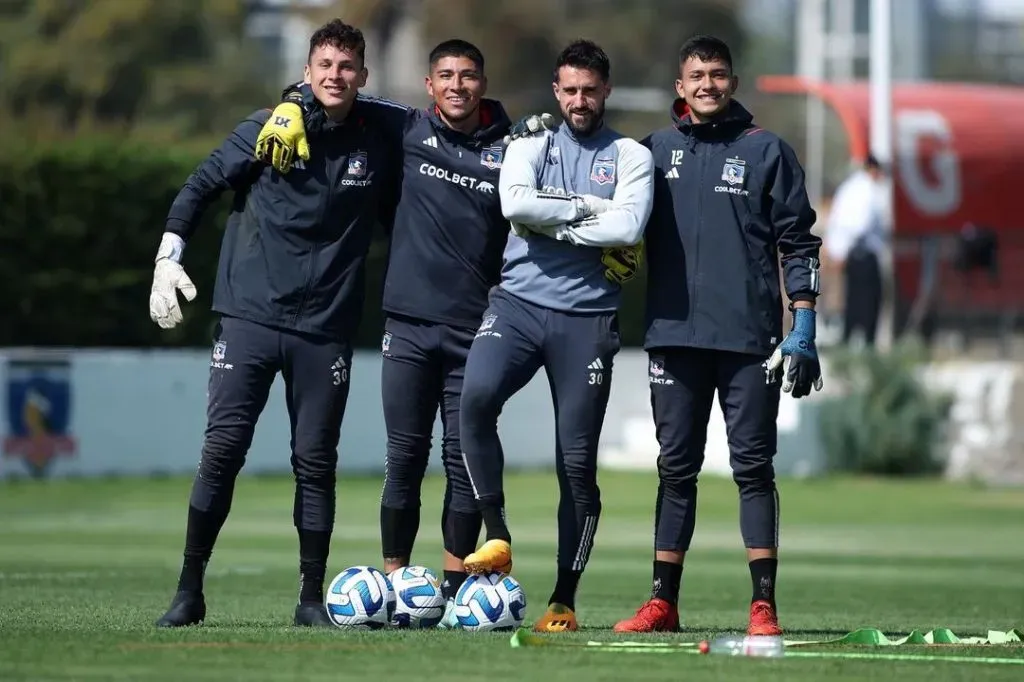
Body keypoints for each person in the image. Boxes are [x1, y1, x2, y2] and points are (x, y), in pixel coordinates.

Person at [256, 39, 515, 628]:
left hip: (476, 328)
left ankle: (456, 593)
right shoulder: (404, 127)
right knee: (404, 459)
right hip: (406, 324)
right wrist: (290, 102)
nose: (456, 85)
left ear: (483, 83)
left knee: (460, 460)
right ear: (428, 85)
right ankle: (398, 585)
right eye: (445, 75)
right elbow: (333, 91)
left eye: (468, 76)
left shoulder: (512, 147)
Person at [149, 19, 398, 628]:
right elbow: (201, 185)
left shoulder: (380, 138)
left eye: (347, 68)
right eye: (325, 67)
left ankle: (310, 599)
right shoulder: (267, 126)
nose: (335, 77)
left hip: (326, 328)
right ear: (308, 71)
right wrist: (167, 255)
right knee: (223, 451)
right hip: (250, 316)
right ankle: (189, 590)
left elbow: (438, 131)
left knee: (315, 461)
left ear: (363, 77)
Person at [611, 34, 823, 636]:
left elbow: (798, 240)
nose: (707, 84)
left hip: (748, 339)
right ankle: (662, 603)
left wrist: (802, 319)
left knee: (753, 470)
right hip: (673, 337)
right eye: (696, 75)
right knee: (675, 469)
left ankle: (763, 605)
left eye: (718, 74)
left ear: (733, 82)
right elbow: (614, 227)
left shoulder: (767, 152)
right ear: (680, 86)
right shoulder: (650, 152)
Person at [456, 39, 654, 633]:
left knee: (576, 464)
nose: (579, 100)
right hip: (516, 306)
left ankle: (564, 598)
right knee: (473, 400)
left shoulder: (628, 155)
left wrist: (557, 217)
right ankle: (498, 536)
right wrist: (591, 214)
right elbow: (514, 206)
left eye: (589, 90)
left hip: (587, 321)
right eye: (569, 90)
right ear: (555, 90)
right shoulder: (529, 142)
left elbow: (631, 223)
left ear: (606, 90)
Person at [824, 155, 889, 347]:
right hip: (862, 254)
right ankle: (865, 345)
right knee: (868, 304)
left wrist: (838, 251)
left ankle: (849, 343)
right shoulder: (867, 189)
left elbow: (836, 221)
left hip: (851, 254)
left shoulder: (849, 187)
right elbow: (860, 225)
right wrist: (843, 251)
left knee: (853, 301)